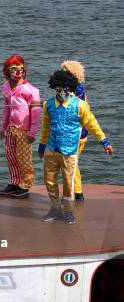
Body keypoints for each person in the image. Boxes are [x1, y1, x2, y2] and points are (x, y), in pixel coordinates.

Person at [38, 70, 113, 225]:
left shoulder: (81, 105)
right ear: (54, 88)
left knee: (68, 183)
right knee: (49, 181)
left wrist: (104, 142)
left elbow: (92, 124)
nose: (62, 92)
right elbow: (45, 127)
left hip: (70, 152)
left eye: (66, 89)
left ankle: (68, 211)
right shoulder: (49, 105)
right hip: (51, 150)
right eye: (59, 89)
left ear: (71, 89)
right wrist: (41, 146)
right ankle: (55, 208)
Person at [0, 55, 41, 198]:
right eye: (13, 69)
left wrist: (33, 132)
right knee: (11, 156)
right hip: (11, 128)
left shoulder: (31, 90)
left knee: (24, 158)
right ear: (7, 71)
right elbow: (6, 108)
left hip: (24, 129)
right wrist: (3, 127)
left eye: (20, 69)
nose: (17, 72)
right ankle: (15, 181)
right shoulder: (5, 87)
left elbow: (36, 112)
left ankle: (25, 184)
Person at [60, 60, 89, 201]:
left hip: (76, 134)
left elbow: (64, 102)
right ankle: (76, 191)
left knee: (71, 163)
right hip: (79, 133)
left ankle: (76, 192)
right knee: (73, 162)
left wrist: (43, 104)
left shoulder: (76, 91)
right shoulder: (78, 89)